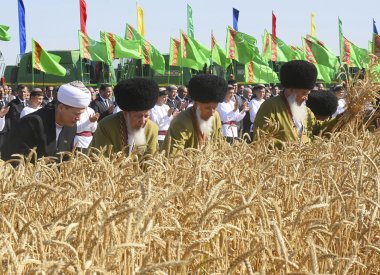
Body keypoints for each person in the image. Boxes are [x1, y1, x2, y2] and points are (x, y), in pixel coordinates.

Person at [2, 81, 91, 162]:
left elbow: (65, 160)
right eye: (76, 114)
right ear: (61, 108)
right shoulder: (32, 123)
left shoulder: (71, 128)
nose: (78, 118)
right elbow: (13, 159)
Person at [254, 60, 338, 145]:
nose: (306, 98)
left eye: (308, 93)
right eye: (304, 93)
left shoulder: (306, 110)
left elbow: (319, 129)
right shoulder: (270, 106)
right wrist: (292, 146)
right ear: (290, 89)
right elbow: (261, 139)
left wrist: (341, 118)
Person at [91, 78, 159, 156]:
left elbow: (151, 159)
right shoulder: (106, 126)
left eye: (146, 116)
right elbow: (102, 159)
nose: (143, 121)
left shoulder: (152, 128)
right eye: (138, 116)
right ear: (125, 114)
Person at [163, 74, 226, 155]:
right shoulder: (180, 122)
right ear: (196, 105)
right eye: (207, 108)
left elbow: (219, 145)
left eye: (215, 107)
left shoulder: (215, 116)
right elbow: (173, 156)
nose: (212, 113)